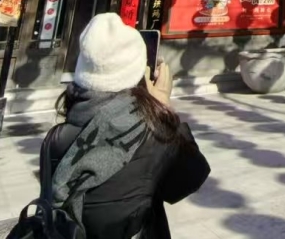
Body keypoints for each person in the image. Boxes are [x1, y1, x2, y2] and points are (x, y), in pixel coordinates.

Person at [46, 13, 210, 239]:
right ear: (138, 73)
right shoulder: (152, 137)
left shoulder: (56, 138)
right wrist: (164, 107)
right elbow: (190, 179)